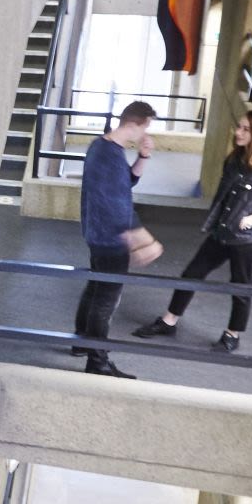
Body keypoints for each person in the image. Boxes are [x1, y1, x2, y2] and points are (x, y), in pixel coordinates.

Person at [134, 110, 252, 353]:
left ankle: (232, 335)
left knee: (240, 287)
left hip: (249, 240)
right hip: (223, 232)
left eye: (245, 129)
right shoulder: (235, 159)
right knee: (192, 273)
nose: (238, 132)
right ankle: (168, 321)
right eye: (238, 127)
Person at [74, 100, 164, 378]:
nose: (144, 134)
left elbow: (125, 183)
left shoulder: (103, 148)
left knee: (96, 287)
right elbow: (115, 203)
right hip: (110, 238)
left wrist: (144, 157)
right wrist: (141, 236)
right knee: (106, 299)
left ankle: (81, 341)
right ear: (135, 123)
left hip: (98, 233)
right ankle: (97, 361)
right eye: (145, 127)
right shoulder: (109, 154)